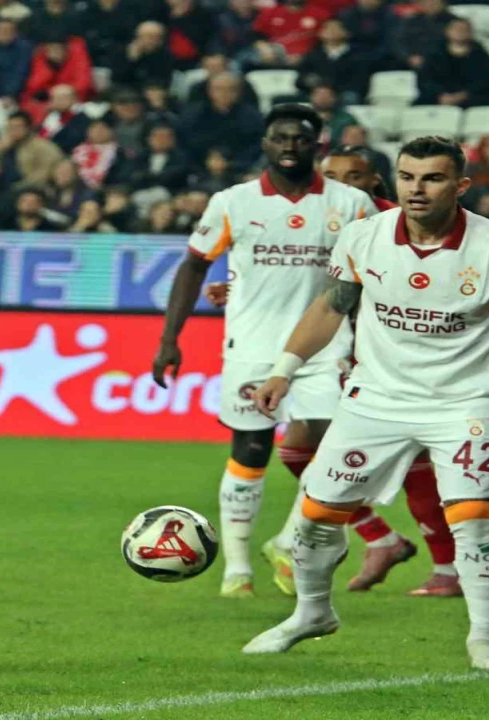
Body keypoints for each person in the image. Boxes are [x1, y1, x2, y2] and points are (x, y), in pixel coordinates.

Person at [246, 137, 489, 671]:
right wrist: (284, 370)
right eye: (408, 176)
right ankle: (312, 614)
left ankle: (484, 642)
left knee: (474, 518)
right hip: (375, 400)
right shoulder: (363, 236)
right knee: (316, 515)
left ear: (461, 185)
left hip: (466, 403)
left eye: (433, 178)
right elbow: (330, 307)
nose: (417, 189)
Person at [204, 145, 462, 597]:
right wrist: (243, 286)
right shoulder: (335, 220)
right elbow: (316, 282)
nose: (343, 184)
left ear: (376, 182)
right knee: (301, 453)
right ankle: (378, 539)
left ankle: (445, 568)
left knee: (411, 464)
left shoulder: (397, 220)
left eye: (354, 176)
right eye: (335, 175)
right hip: (340, 350)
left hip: (399, 356)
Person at [152, 104, 378, 598]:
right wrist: (170, 339)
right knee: (251, 451)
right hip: (252, 346)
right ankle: (236, 569)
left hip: (325, 346)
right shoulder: (233, 202)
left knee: (335, 449)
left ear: (317, 145)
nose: (290, 146)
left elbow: (378, 270)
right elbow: (194, 266)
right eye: (281, 138)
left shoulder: (352, 203)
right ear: (265, 144)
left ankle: (287, 541)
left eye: (301, 138)